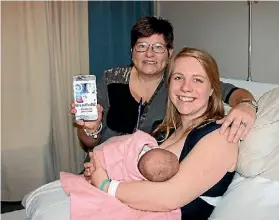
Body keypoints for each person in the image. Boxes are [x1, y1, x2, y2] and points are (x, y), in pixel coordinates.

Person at [70, 16, 258, 164]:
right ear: (132, 51)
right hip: (101, 165)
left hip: (143, 173)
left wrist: (246, 105)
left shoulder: (180, 85)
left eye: (158, 47)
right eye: (142, 46)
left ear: (169, 53)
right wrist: (91, 129)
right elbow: (89, 142)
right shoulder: (111, 79)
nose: (149, 54)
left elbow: (231, 92)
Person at [84, 47, 239, 220]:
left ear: (212, 89)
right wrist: (101, 169)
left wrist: (105, 184)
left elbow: (169, 196)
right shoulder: (163, 131)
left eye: (197, 80)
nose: (186, 88)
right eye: (178, 77)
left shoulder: (221, 136)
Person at [60, 130, 180, 220]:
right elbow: (111, 152)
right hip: (99, 163)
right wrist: (100, 174)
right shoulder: (135, 145)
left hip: (101, 170)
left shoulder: (144, 142)